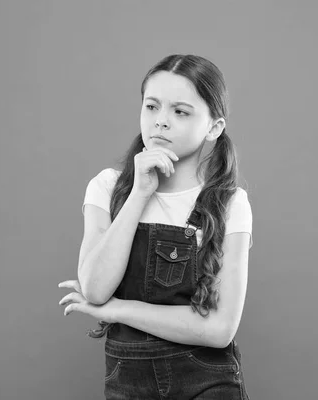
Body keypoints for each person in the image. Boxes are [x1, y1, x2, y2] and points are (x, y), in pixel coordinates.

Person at [58, 54, 253, 399]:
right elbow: (95, 289)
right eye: (152, 107)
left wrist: (118, 310)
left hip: (207, 382)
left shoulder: (229, 203)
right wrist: (139, 193)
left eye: (180, 111)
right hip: (128, 385)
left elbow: (220, 329)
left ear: (214, 127)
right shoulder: (108, 188)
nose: (161, 122)